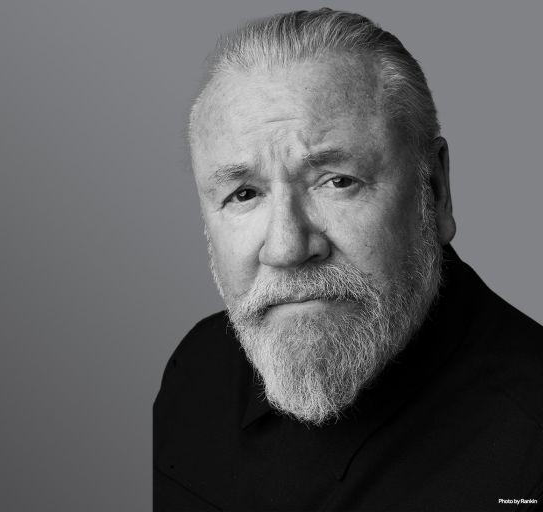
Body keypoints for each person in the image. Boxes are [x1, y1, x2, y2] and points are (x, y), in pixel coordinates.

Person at [153, 8, 543, 511]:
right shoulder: (195, 371)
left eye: (338, 181)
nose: (287, 249)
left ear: (435, 190)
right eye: (244, 194)